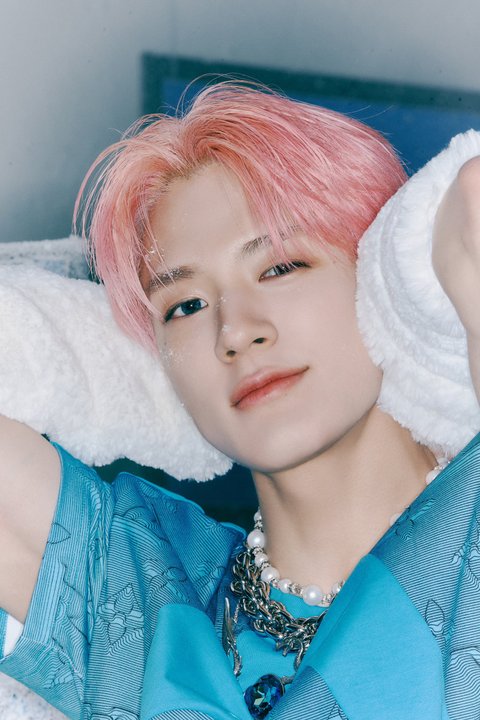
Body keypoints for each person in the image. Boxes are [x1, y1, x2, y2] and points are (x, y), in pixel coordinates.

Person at [0, 81, 479, 720]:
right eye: (186, 306)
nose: (234, 331)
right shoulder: (147, 591)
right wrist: (111, 364)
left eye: (280, 267)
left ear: (385, 268)